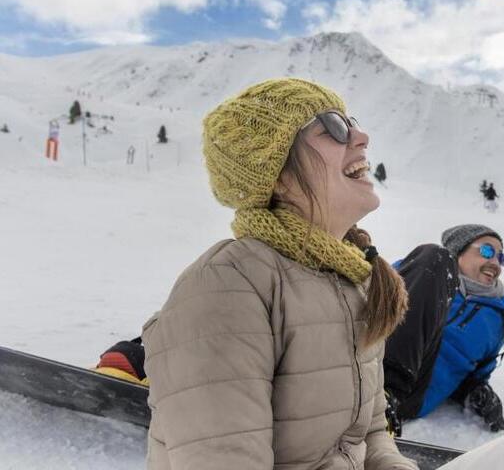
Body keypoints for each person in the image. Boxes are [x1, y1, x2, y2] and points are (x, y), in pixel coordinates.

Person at [141, 78, 416, 470]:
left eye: (352, 121)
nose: (362, 137)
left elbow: (369, 434)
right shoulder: (229, 284)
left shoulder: (357, 279)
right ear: (279, 178)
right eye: (333, 127)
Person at [383, 224, 504, 435]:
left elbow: (474, 374)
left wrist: (477, 392)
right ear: (458, 250)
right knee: (433, 256)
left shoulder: (498, 317)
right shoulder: (419, 271)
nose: (495, 264)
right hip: (367, 363)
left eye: (501, 258)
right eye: (487, 251)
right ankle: (383, 392)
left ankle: (386, 399)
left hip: (408, 397)